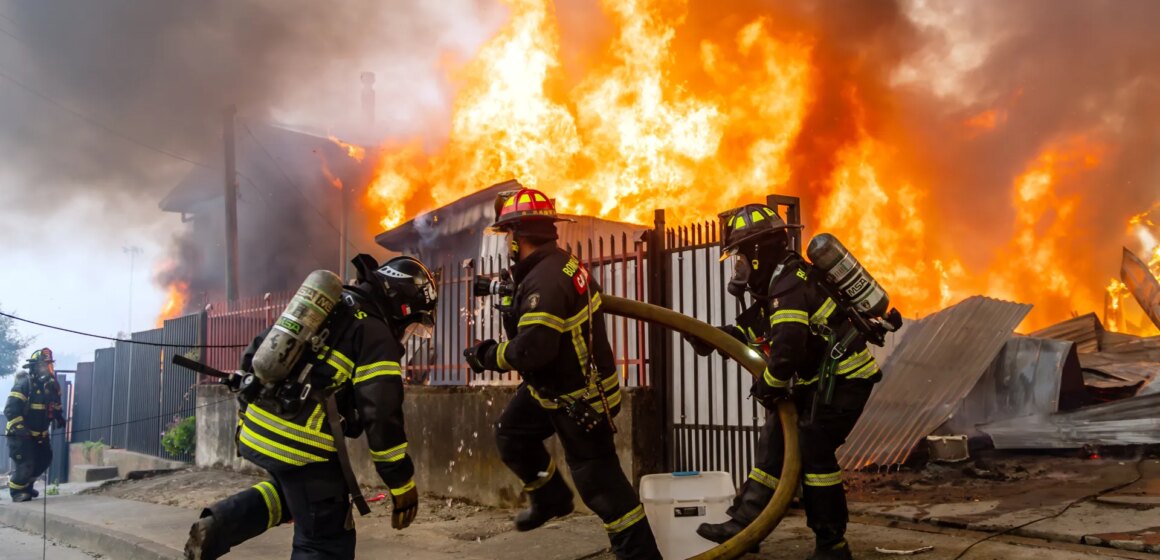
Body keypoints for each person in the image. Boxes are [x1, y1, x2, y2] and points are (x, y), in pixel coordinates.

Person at [184, 255, 437, 560]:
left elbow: (257, 350)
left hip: (255, 428)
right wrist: (400, 481)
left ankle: (218, 526)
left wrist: (244, 415)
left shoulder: (327, 307)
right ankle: (221, 528)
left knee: (296, 495)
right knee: (327, 534)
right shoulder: (376, 334)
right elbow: (382, 415)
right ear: (401, 306)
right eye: (411, 323)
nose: (406, 333)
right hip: (301, 444)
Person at [464, 183, 662, 560]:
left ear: (517, 236)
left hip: (581, 399)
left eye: (507, 235)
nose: (506, 243)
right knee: (512, 434)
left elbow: (534, 350)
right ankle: (551, 498)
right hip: (551, 390)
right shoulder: (557, 265)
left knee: (602, 488)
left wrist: (488, 355)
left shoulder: (547, 279)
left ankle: (640, 556)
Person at [692, 204, 881, 560]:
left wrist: (771, 382)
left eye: (740, 256)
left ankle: (832, 544)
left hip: (846, 379)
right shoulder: (776, 283)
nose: (739, 265)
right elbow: (754, 328)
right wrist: (714, 337)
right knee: (775, 438)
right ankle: (745, 524)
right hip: (820, 381)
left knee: (813, 450)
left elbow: (789, 344)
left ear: (758, 253)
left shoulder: (789, 282)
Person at [5, 347, 65, 502]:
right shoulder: (25, 385)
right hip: (20, 434)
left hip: (40, 434)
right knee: (26, 462)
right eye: (43, 365)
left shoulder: (51, 387)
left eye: (48, 365)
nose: (46, 369)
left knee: (44, 459)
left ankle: (26, 488)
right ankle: (16, 492)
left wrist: (59, 417)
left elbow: (55, 404)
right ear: (34, 367)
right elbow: (11, 410)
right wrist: (21, 430)